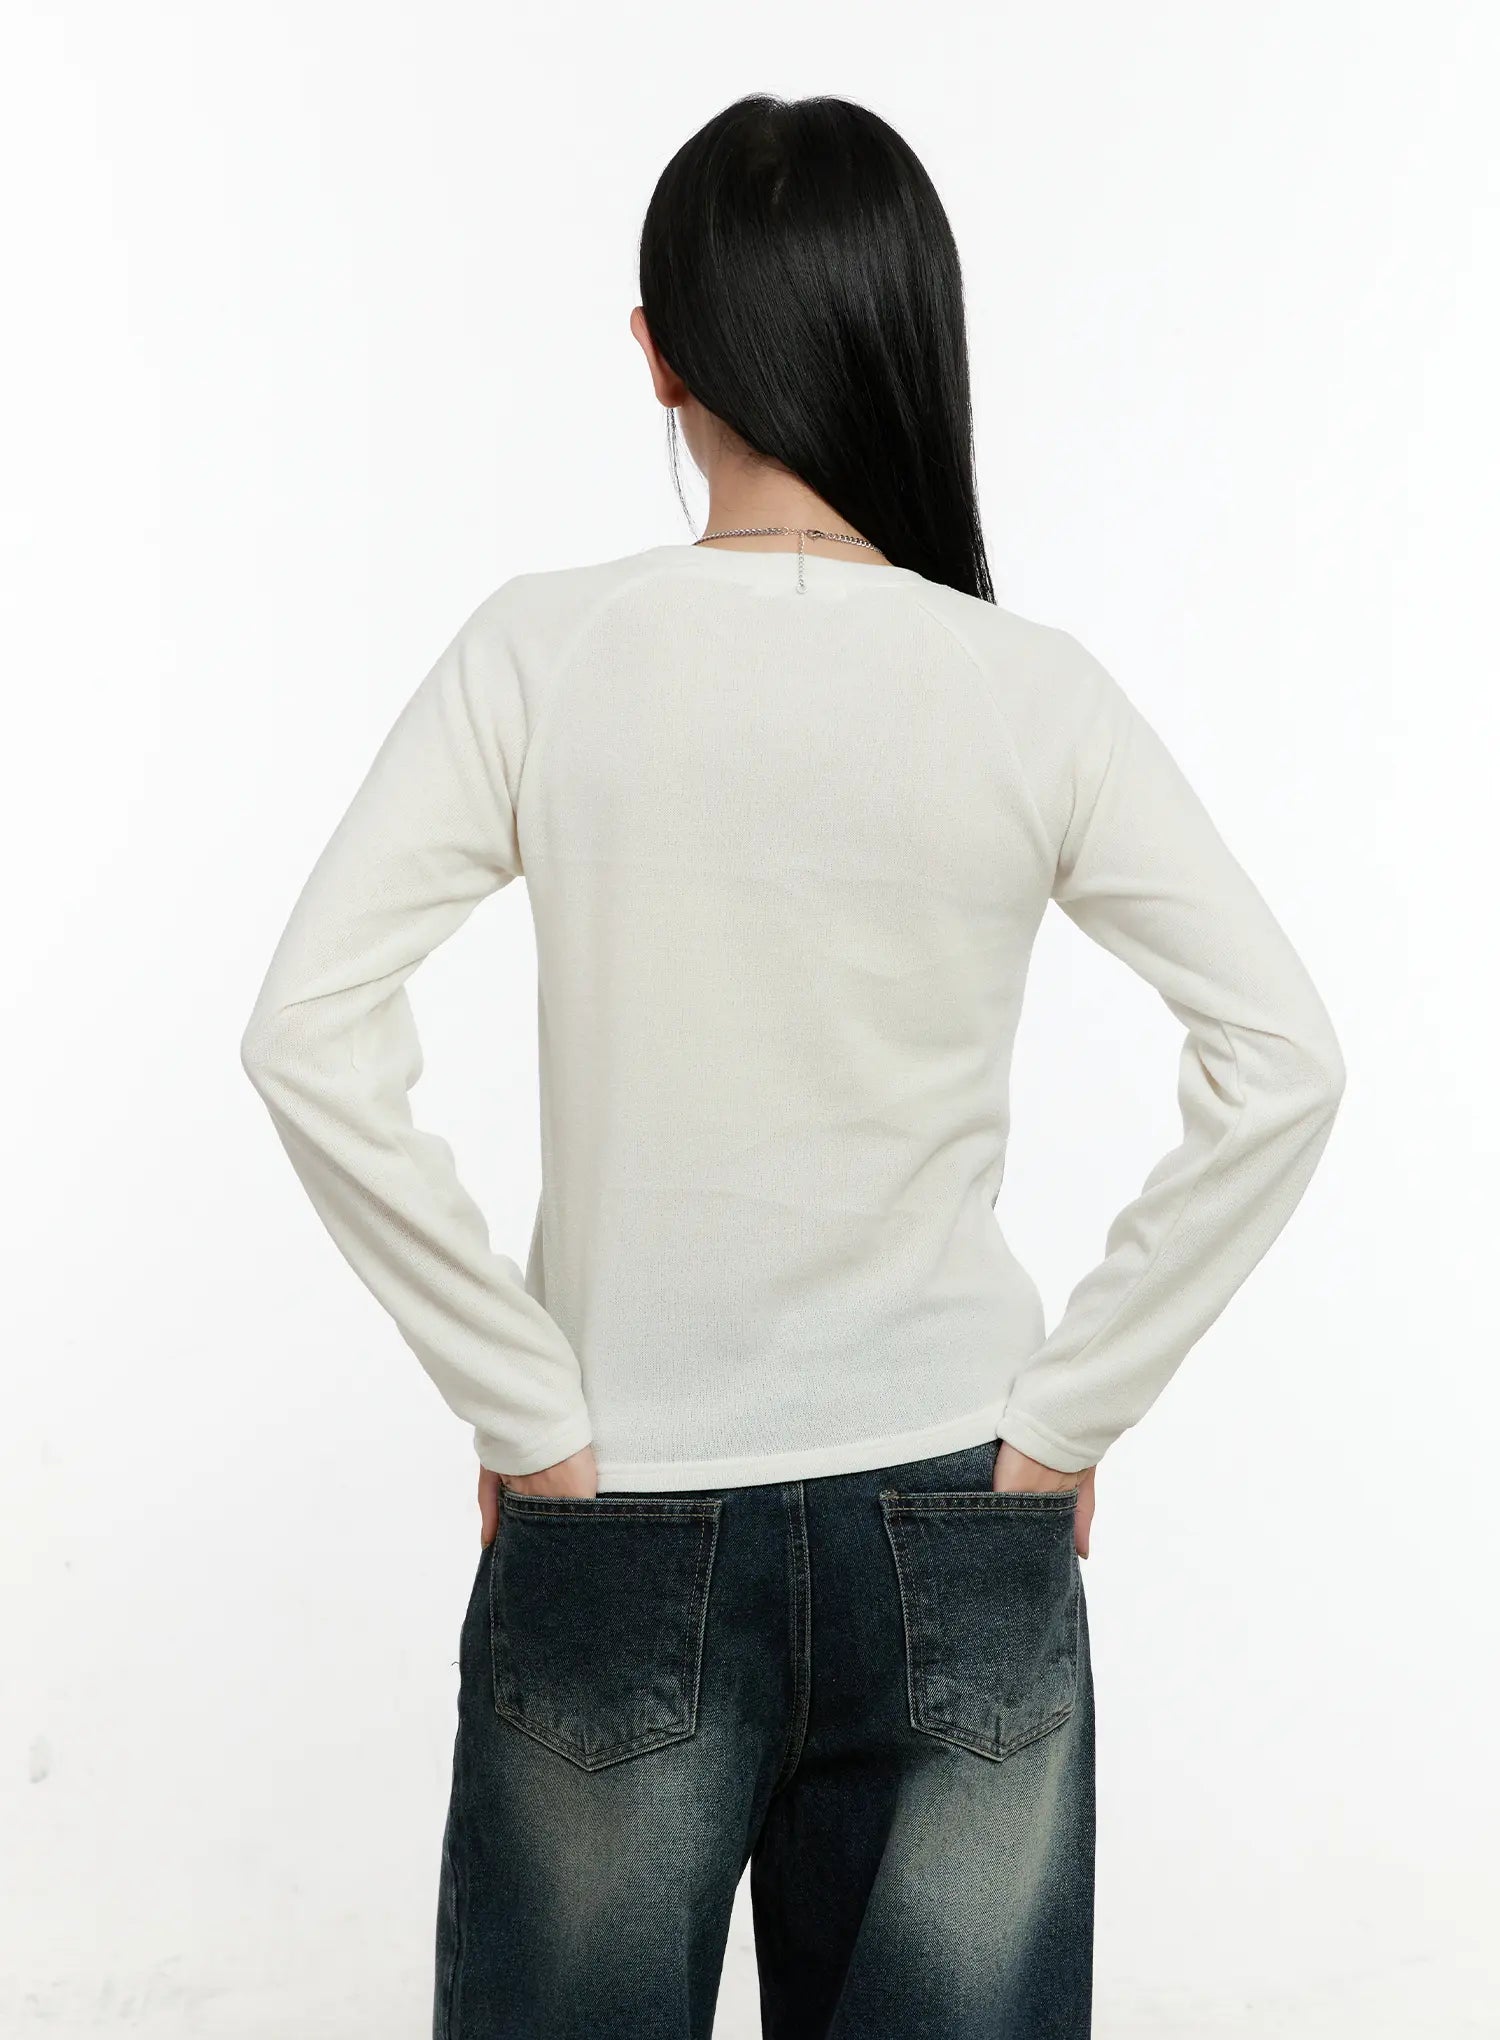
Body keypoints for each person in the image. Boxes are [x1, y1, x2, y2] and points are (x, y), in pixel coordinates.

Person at [239, 92, 1345, 2040]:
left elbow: (308, 1026)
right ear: (911, 333)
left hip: (617, 1503)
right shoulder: (1030, 691)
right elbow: (1287, 1058)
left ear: (658, 352)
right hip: (961, 1510)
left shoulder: (542, 655)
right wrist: (1064, 1420)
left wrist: (523, 1402)